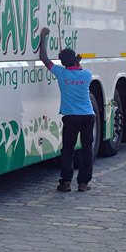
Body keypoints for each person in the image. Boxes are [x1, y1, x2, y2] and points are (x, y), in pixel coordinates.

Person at [38, 27, 94, 192]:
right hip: (88, 116)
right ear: (76, 61)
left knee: (68, 150)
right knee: (86, 150)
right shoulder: (87, 75)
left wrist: (43, 37)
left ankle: (66, 182)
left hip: (71, 117)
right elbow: (80, 70)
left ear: (62, 62)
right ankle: (83, 183)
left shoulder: (61, 73)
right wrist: (78, 63)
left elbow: (44, 58)